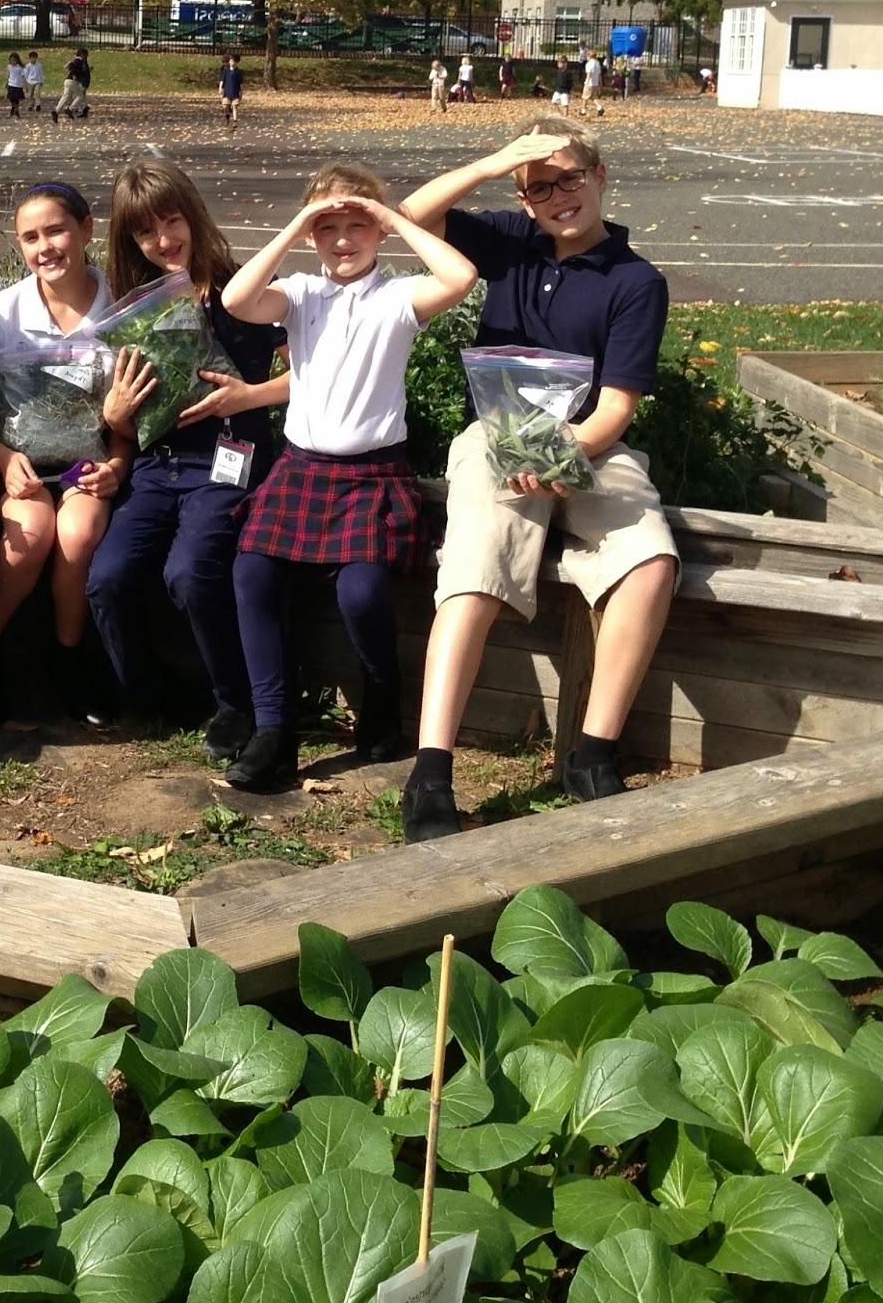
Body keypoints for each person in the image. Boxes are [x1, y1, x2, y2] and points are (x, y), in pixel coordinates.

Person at [395, 116, 678, 842]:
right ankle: (430, 771)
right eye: (538, 188)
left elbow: (616, 406)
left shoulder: (636, 281)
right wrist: (495, 160)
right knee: (474, 566)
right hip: (495, 439)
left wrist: (559, 461)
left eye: (569, 178)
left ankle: (592, 753)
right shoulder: (510, 243)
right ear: (521, 199)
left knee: (650, 563)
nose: (557, 197)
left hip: (588, 446)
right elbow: (412, 215)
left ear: (600, 176)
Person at [218, 163, 477, 791]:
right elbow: (237, 299)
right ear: (311, 234)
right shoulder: (302, 294)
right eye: (327, 227)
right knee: (251, 571)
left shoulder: (398, 297)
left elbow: (461, 276)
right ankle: (274, 730)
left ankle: (382, 698)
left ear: (378, 231)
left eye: (356, 225)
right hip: (301, 469)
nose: (342, 238)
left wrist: (389, 215)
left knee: (361, 594)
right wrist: (294, 225)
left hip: (371, 475)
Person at [88, 158, 289, 761]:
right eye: (146, 233)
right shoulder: (136, 309)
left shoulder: (240, 290)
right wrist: (116, 416)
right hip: (157, 466)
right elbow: (116, 416)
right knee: (108, 577)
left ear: (193, 215)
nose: (163, 241)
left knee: (190, 571)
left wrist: (253, 394)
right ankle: (145, 692)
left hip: (231, 460)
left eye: (172, 221)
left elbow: (320, 368)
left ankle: (234, 702)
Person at [0, 182, 123, 727]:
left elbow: (130, 417)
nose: (44, 247)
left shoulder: (122, 308)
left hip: (86, 466)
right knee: (29, 536)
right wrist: (4, 462)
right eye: (30, 237)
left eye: (56, 230)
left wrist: (116, 466)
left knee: (77, 535)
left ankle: (68, 660)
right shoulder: (2, 313)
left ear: (86, 230)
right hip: (18, 467)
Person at [52, 48, 89, 122]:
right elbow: (73, 68)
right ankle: (70, 108)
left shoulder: (76, 61)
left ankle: (56, 111)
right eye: (86, 55)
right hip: (73, 81)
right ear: (82, 55)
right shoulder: (79, 61)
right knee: (80, 95)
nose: (87, 56)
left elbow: (68, 67)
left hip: (67, 80)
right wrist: (75, 75)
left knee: (65, 96)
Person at [218, 53, 243, 126]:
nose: (232, 63)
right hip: (227, 91)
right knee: (225, 106)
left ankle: (235, 121)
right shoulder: (226, 71)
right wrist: (220, 88)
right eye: (231, 61)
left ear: (237, 62)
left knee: (235, 106)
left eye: (234, 61)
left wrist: (241, 91)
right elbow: (222, 80)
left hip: (235, 92)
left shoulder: (238, 72)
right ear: (229, 61)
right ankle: (227, 116)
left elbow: (241, 83)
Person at [581, 51, 605, 118]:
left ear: (589, 56)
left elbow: (589, 74)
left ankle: (583, 110)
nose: (586, 58)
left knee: (584, 97)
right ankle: (599, 107)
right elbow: (599, 75)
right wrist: (600, 83)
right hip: (595, 83)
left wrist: (587, 83)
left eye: (587, 56)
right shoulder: (597, 63)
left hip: (590, 83)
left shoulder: (589, 64)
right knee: (593, 97)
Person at [5, 52, 26, 118]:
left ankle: (15, 110)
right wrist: (7, 82)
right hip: (11, 84)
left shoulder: (20, 67)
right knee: (11, 98)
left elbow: (23, 76)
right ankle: (14, 108)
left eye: (14, 60)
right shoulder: (9, 67)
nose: (13, 62)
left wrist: (24, 84)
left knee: (16, 99)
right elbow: (8, 75)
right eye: (11, 60)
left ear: (17, 60)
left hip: (18, 85)